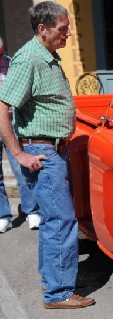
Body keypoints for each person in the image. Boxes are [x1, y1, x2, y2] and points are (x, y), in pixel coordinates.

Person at [0, 1, 94, 309]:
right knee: (62, 220)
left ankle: (54, 279)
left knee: (55, 219)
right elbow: (3, 107)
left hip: (53, 149)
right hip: (42, 152)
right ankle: (59, 293)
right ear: (43, 29)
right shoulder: (29, 58)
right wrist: (19, 154)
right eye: (62, 29)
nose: (66, 34)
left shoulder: (48, 55)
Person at [0, 36, 41, 233]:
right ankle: (3, 215)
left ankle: (31, 211)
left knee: (21, 168)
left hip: (10, 122)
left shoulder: (11, 64)